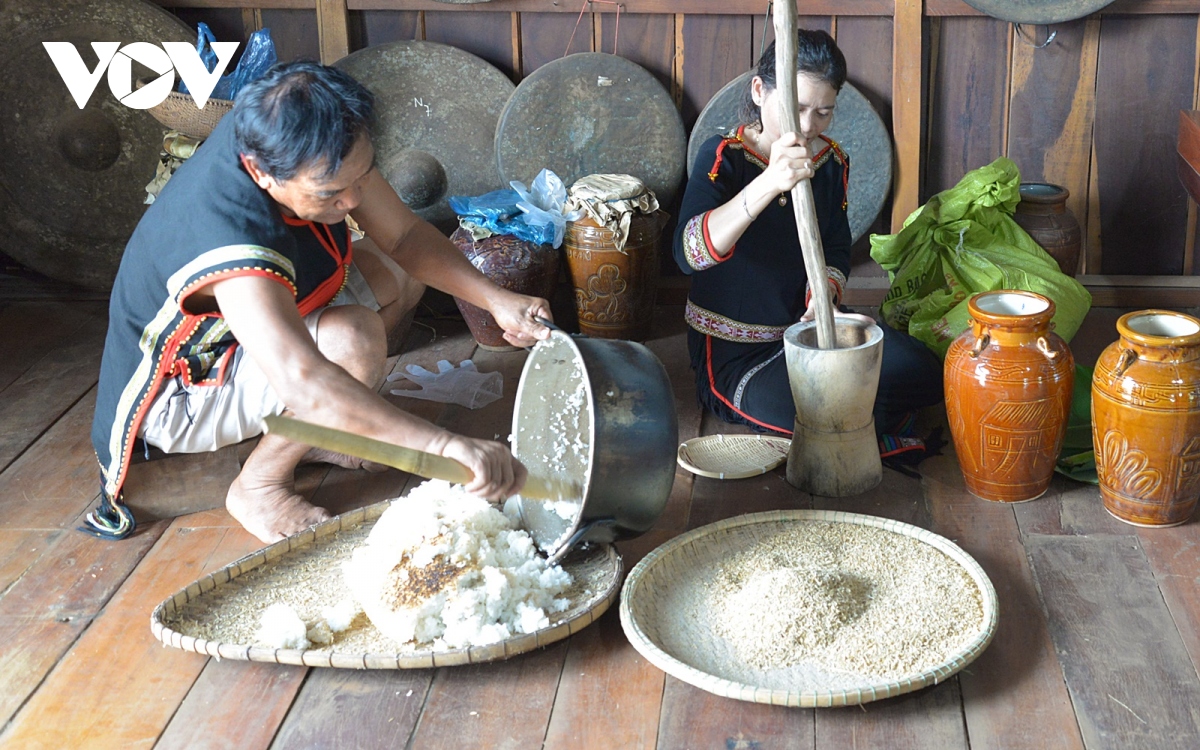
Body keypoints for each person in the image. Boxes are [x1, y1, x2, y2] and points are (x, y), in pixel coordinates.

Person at [89, 61, 552, 543]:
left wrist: (498, 300)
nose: (353, 201)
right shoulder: (227, 236)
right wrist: (444, 446)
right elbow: (305, 381)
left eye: (363, 175)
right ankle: (259, 484)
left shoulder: (296, 129)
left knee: (398, 273)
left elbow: (407, 235)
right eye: (330, 193)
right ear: (260, 173)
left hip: (250, 340)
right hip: (182, 392)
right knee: (353, 341)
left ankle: (318, 436)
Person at [673, 31, 943, 466]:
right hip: (741, 360)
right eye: (796, 108)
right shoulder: (724, 155)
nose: (808, 125)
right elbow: (689, 252)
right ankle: (877, 424)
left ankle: (874, 419)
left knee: (926, 373)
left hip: (811, 338)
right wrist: (769, 182)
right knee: (838, 415)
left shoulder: (831, 162)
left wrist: (826, 291)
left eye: (823, 112)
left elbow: (835, 246)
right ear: (760, 91)